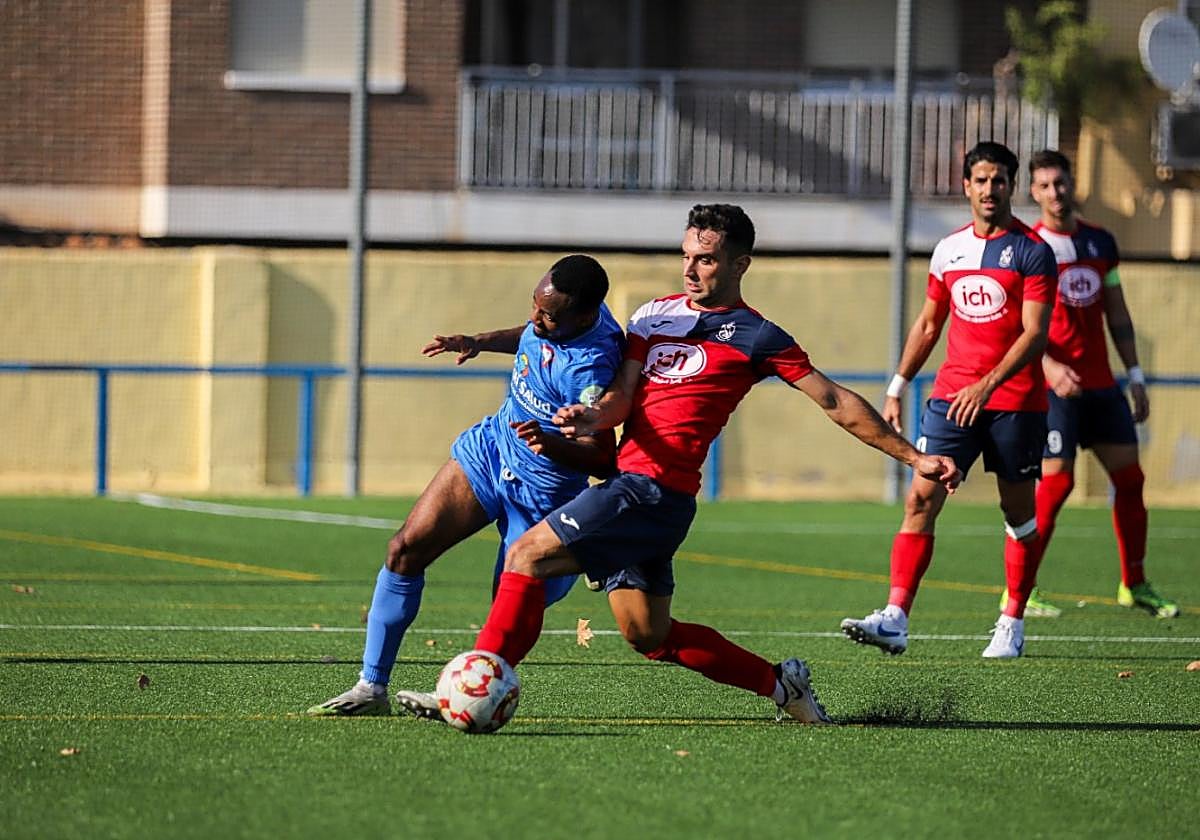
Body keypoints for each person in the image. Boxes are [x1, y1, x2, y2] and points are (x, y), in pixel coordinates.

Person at [426, 204, 960, 726]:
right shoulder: (653, 315)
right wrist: (590, 416)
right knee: (648, 636)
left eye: (705, 259)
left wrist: (915, 457)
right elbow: (621, 397)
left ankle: (474, 681)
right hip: (640, 493)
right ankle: (781, 684)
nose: (690, 268)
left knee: (525, 554)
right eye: (686, 255)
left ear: (738, 265)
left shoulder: (759, 336)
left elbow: (834, 402)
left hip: (651, 492)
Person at [307, 254, 624, 716]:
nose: (537, 318)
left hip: (546, 490)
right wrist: (478, 341)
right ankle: (370, 688)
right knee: (405, 549)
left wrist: (550, 444)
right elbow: (532, 338)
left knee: (511, 604)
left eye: (548, 314)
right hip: (492, 449)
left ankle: (465, 695)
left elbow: (603, 456)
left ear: (584, 315)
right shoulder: (555, 319)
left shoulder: (592, 369)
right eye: (535, 306)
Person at [840, 141, 1057, 659]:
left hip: (1016, 404)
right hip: (950, 398)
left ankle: (1012, 620)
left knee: (1019, 516)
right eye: (980, 180)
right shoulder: (948, 250)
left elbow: (1035, 335)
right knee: (919, 498)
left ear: (1010, 186)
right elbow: (930, 323)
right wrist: (898, 384)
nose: (989, 189)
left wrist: (987, 385)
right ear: (966, 185)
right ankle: (894, 617)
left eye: (999, 180)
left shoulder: (1033, 251)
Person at [1007, 149, 1178, 619]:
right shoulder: (1026, 248)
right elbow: (1015, 326)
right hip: (1055, 390)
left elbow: (1118, 314)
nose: (1054, 193)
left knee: (1131, 478)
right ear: (1034, 193)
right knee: (1055, 486)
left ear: (1072, 184)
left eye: (1060, 183)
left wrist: (1136, 375)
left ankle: (1135, 583)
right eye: (1044, 186)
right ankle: (1019, 593)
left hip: (1103, 387)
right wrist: (1048, 368)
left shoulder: (1101, 243)